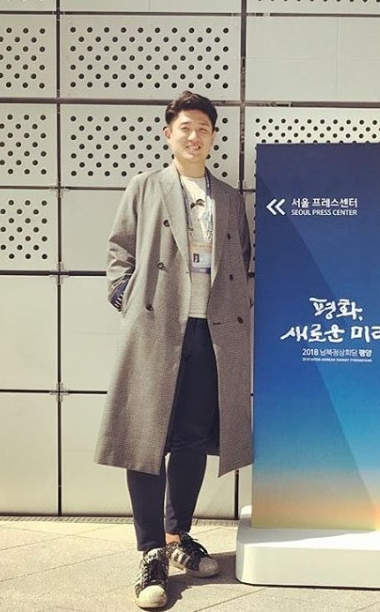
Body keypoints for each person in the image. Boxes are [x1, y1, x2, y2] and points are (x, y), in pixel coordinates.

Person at [95, 90, 253, 609]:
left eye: (203, 128)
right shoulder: (146, 186)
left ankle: (175, 536)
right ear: (169, 134)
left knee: (190, 440)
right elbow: (120, 248)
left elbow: (242, 256)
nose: (194, 136)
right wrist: (125, 296)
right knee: (144, 439)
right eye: (185, 127)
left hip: (213, 331)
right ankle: (149, 555)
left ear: (213, 137)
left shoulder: (228, 197)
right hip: (157, 327)